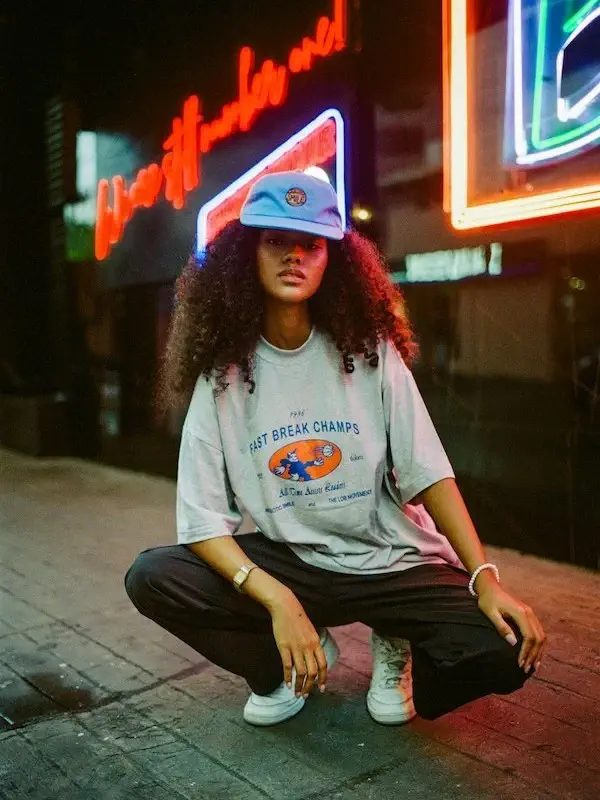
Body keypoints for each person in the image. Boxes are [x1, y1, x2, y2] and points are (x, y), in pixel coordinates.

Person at [125, 171, 545, 727]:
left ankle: (399, 643)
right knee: (152, 576)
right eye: (276, 240)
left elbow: (428, 473)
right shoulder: (224, 376)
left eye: (311, 244)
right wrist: (277, 599)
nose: (293, 256)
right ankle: (286, 666)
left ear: (334, 260)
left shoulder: (368, 351)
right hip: (295, 559)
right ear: (246, 253)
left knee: (507, 646)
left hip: (391, 559)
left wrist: (484, 578)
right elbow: (202, 521)